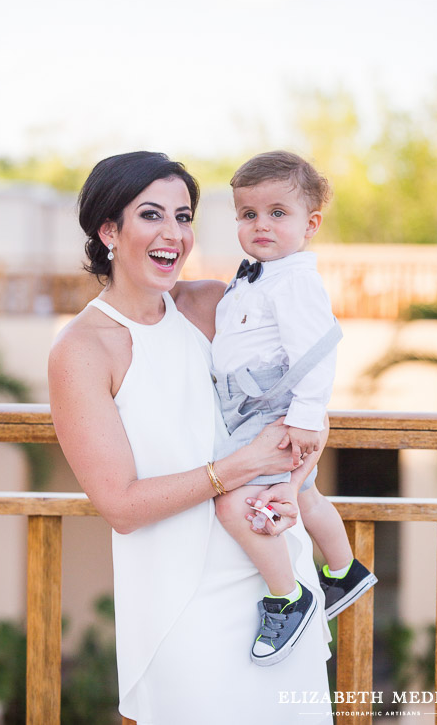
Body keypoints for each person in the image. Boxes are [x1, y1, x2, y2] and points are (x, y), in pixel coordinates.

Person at [48, 151, 334, 725]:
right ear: (109, 230)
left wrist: (294, 480)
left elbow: (308, 387)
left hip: (278, 585)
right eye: (151, 215)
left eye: (184, 217)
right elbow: (121, 507)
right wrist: (238, 468)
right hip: (182, 604)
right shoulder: (80, 350)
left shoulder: (215, 305)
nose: (173, 234)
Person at [212, 151, 377, 666]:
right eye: (248, 214)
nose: (261, 224)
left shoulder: (294, 279)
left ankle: (288, 595)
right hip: (252, 402)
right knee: (304, 495)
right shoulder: (260, 274)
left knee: (238, 505)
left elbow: (316, 351)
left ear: (311, 224)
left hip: (270, 410)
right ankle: (343, 570)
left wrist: (307, 414)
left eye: (277, 213)